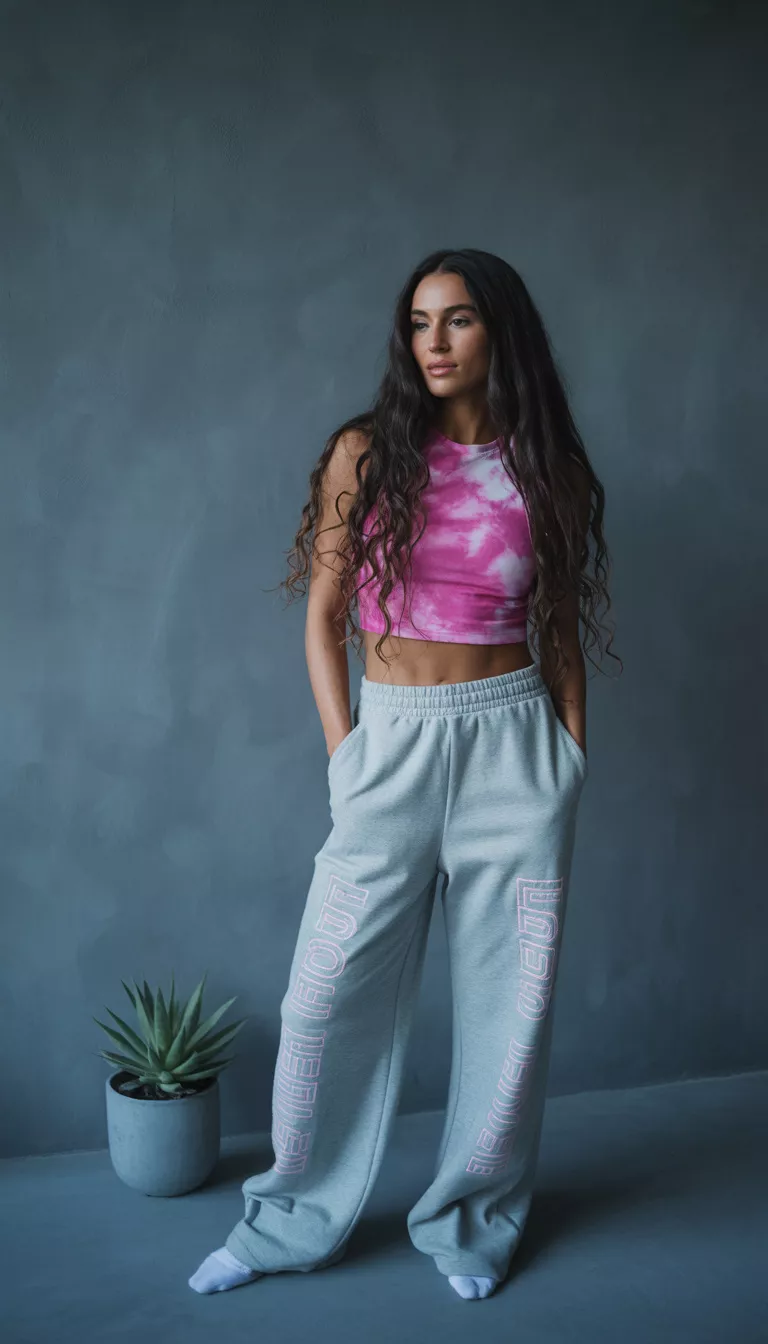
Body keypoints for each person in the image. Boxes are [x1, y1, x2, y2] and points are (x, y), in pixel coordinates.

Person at [190, 248, 620, 1300]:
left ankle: (472, 1219)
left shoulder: (544, 466)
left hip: (515, 741)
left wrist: (568, 749)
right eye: (419, 322)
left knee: (509, 1003)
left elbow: (555, 627)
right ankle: (288, 1219)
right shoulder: (365, 454)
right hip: (392, 739)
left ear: (498, 333)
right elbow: (326, 619)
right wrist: (348, 757)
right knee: (322, 997)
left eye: (458, 320)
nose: (432, 342)